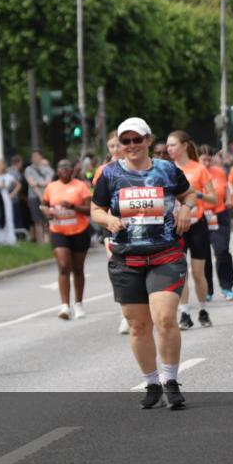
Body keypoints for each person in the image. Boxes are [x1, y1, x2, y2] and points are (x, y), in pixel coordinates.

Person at [91, 118, 196, 410]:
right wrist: (108, 219)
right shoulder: (110, 174)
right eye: (126, 141)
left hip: (165, 254)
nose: (132, 146)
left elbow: (189, 193)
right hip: (127, 259)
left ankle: (171, 381)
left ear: (148, 139)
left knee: (164, 319)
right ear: (120, 145)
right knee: (138, 326)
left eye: (137, 140)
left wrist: (186, 208)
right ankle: (151, 383)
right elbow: (96, 209)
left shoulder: (165, 169)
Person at [167, 131, 216, 329]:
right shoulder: (166, 169)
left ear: (184, 146)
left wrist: (197, 195)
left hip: (197, 225)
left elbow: (215, 198)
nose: (169, 149)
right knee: (181, 272)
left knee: (197, 273)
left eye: (173, 145)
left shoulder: (199, 169)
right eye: (167, 145)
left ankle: (203, 309)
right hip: (177, 226)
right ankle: (185, 313)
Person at [40, 159, 92, 319]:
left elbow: (90, 209)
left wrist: (73, 207)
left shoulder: (80, 186)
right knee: (63, 266)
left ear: (72, 170)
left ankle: (79, 304)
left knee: (78, 269)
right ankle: (64, 306)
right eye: (61, 168)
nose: (64, 170)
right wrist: (47, 212)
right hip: (58, 230)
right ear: (57, 171)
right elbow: (43, 205)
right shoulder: (51, 187)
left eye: (67, 167)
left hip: (79, 231)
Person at [96, 131, 130, 335]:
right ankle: (124, 314)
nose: (116, 150)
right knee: (118, 270)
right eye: (112, 146)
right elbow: (98, 204)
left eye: (119, 145)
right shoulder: (104, 170)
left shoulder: (137, 167)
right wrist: (108, 219)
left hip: (138, 226)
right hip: (113, 228)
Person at [198, 146, 233, 300]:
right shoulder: (195, 173)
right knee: (204, 255)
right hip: (201, 216)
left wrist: (228, 199)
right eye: (203, 160)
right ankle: (208, 291)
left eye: (209, 159)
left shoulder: (219, 172)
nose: (207, 163)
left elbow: (225, 189)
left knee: (222, 251)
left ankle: (227, 287)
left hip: (219, 214)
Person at [24, 150, 54, 243]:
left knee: (48, 219)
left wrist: (39, 183)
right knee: (37, 220)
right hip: (34, 197)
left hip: (47, 197)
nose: (34, 158)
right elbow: (32, 184)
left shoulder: (48, 169)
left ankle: (49, 241)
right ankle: (41, 242)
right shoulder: (28, 169)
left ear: (41, 157)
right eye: (33, 157)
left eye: (36, 156)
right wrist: (41, 194)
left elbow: (48, 182)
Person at [0, 159, 18, 246]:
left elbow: (18, 185)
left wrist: (12, 194)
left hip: (5, 198)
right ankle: (0, 238)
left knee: (8, 217)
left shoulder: (8, 176)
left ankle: (9, 239)